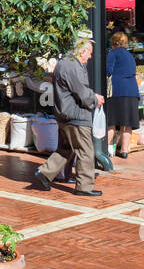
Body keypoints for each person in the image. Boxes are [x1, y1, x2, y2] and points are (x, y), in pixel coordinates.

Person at [32, 32, 104, 197]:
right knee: (85, 150)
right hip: (75, 116)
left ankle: (44, 173)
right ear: (82, 51)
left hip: (64, 114)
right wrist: (95, 98)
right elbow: (81, 92)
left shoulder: (64, 63)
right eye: (89, 53)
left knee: (66, 149)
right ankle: (84, 187)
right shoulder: (72, 65)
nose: (90, 57)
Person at [104, 31, 140, 160]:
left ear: (113, 42)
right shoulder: (130, 55)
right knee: (127, 122)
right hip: (132, 91)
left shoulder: (112, 54)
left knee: (111, 121)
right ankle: (124, 150)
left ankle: (103, 150)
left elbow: (108, 71)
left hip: (117, 90)